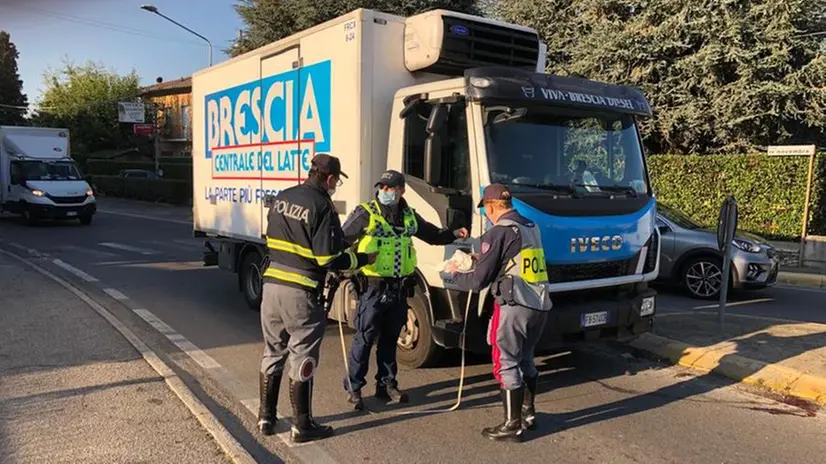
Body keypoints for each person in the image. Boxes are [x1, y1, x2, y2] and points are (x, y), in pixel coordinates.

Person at [258, 154, 376, 443]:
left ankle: (266, 417)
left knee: (273, 352)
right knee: (302, 356)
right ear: (330, 178)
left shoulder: (283, 197)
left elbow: (272, 239)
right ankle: (302, 425)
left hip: (271, 287)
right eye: (336, 180)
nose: (336, 185)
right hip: (300, 291)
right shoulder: (322, 205)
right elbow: (326, 258)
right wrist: (359, 258)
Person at [340, 169, 469, 409]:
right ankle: (355, 388)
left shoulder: (409, 216)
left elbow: (432, 235)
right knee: (364, 338)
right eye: (383, 187)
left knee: (390, 339)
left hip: (399, 288)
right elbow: (341, 240)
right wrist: (343, 265)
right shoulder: (365, 213)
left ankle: (387, 384)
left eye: (391, 188)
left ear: (401, 191)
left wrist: (453, 234)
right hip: (372, 288)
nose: (386, 192)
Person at [444, 184, 552, 442]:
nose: (486, 215)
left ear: (491, 206)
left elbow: (479, 281)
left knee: (505, 361)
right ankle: (528, 413)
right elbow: (513, 259)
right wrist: (479, 257)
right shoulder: (530, 227)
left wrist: (452, 276)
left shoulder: (499, 232)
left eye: (486, 211)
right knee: (526, 357)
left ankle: (511, 425)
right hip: (539, 304)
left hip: (514, 306)